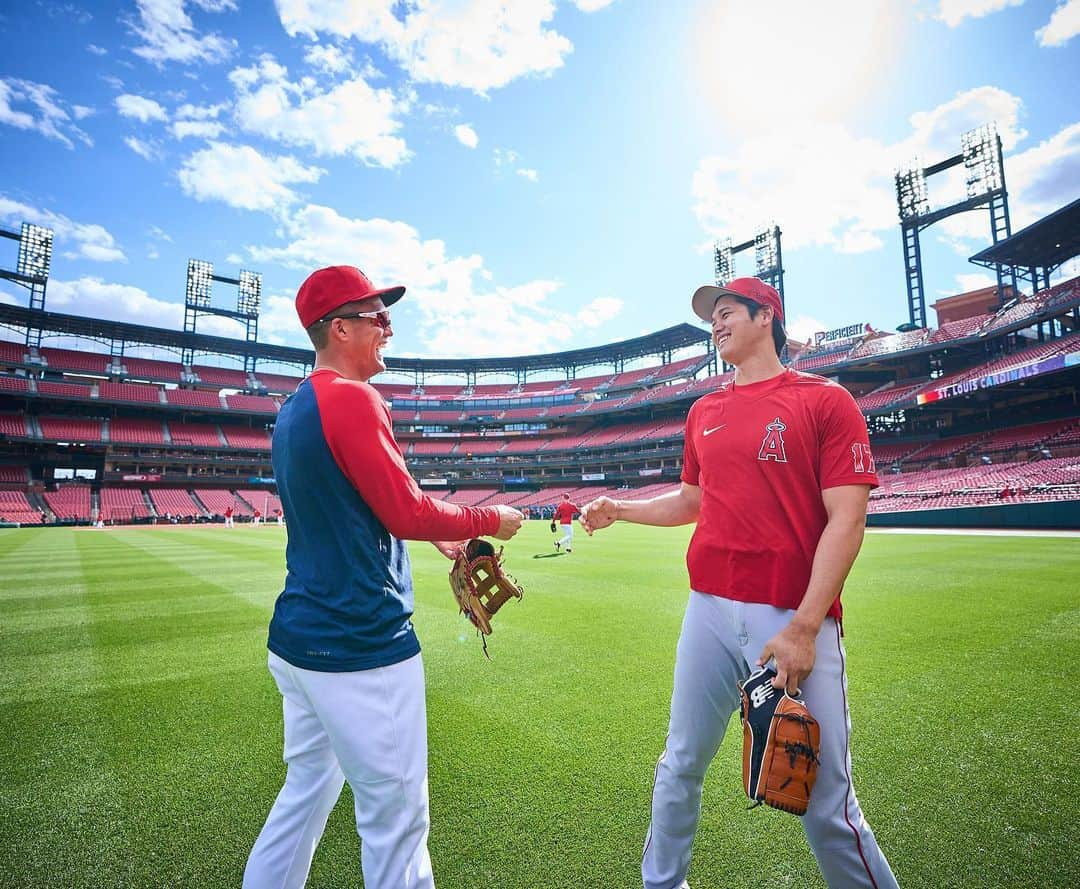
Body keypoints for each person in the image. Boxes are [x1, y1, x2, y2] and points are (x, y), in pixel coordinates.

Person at [580, 277, 898, 889]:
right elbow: (692, 500)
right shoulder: (705, 410)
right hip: (708, 609)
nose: (716, 325)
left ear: (766, 316)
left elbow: (847, 520)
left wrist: (805, 626)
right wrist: (622, 507)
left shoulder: (825, 401)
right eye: (712, 318)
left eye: (727, 313)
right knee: (679, 766)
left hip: (792, 617)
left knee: (826, 802)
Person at [244, 265, 524, 889]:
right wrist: (490, 519)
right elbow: (402, 508)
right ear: (339, 329)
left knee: (303, 799)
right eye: (376, 317)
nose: (388, 325)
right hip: (360, 649)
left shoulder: (296, 406)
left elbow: (366, 506)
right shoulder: (351, 397)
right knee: (396, 824)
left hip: (300, 639)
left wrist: (443, 533)